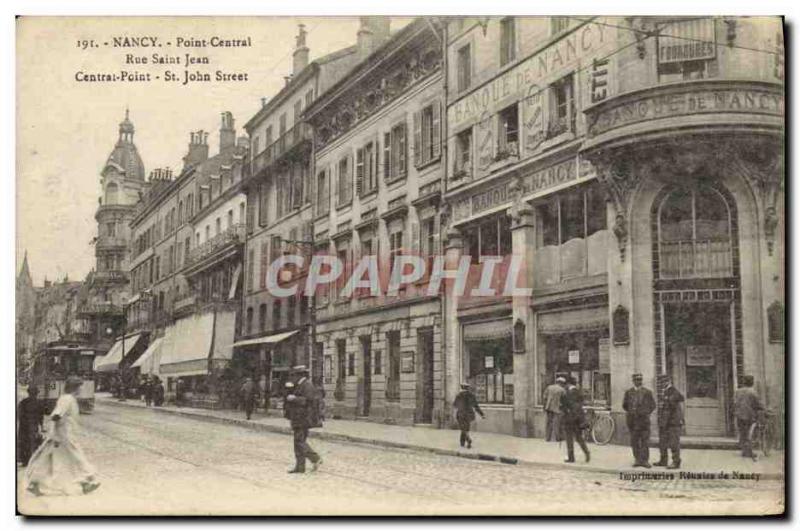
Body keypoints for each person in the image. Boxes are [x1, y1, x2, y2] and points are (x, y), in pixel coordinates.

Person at [24, 377, 100, 496]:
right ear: (75, 388)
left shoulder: (68, 398)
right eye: (80, 387)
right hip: (63, 436)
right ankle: (88, 479)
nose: (81, 389)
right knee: (76, 457)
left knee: (48, 459)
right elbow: (56, 416)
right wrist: (53, 433)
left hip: (63, 435)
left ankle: (34, 483)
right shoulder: (67, 399)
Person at [285, 366, 322, 474]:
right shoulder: (300, 384)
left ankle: (315, 458)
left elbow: (309, 400)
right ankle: (300, 467)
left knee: (299, 441)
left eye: (294, 375)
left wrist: (294, 398)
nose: (292, 378)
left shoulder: (307, 385)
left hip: (304, 418)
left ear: (300, 375)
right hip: (298, 417)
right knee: (298, 442)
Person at [622, 373, 656, 468]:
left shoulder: (647, 392)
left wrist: (645, 412)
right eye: (637, 380)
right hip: (633, 421)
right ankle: (637, 459)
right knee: (634, 441)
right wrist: (632, 413)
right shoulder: (628, 392)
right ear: (633, 381)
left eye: (640, 380)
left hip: (644, 421)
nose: (639, 382)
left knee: (645, 441)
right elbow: (624, 405)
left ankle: (645, 461)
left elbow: (653, 405)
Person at [653, 374, 684, 469]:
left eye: (664, 382)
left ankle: (676, 461)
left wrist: (668, 398)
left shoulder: (673, 391)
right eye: (661, 382)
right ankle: (663, 460)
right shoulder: (664, 392)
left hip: (673, 422)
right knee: (662, 442)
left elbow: (680, 399)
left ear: (669, 381)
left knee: (674, 443)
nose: (662, 384)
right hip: (664, 422)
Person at [734, 375, 764, 461]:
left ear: (744, 382)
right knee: (749, 433)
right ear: (752, 382)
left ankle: (744, 451)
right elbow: (758, 403)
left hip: (739, 415)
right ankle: (749, 451)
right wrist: (763, 408)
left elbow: (735, 402)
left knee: (742, 433)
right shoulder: (753, 392)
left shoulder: (738, 391)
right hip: (749, 416)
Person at [561, 376, 590, 463]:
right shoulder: (578, 392)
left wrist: (564, 409)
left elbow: (568, 405)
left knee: (569, 438)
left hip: (570, 418)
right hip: (578, 419)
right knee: (578, 437)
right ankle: (586, 453)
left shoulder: (569, 393)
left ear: (568, 384)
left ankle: (571, 457)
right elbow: (579, 405)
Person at [17, 385, 45, 467]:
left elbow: (19, 414)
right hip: (32, 425)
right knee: (32, 442)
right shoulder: (39, 403)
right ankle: (31, 460)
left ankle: (25, 460)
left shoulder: (23, 402)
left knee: (24, 442)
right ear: (36, 393)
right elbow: (41, 416)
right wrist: (41, 426)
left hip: (24, 426)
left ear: (28, 393)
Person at [453, 383, 484, 449]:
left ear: (462, 388)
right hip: (469, 414)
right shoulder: (471, 395)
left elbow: (455, 405)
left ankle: (468, 439)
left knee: (463, 428)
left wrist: (455, 413)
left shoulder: (458, 395)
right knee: (466, 428)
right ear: (467, 388)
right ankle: (462, 443)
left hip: (461, 414)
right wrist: (482, 414)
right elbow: (476, 406)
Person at [543, 376, 566, 442]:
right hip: (557, 409)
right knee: (557, 424)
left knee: (548, 423)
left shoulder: (549, 387)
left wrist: (545, 406)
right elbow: (564, 400)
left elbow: (544, 397)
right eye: (563, 383)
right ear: (561, 383)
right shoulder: (562, 390)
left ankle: (547, 438)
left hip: (549, 408)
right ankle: (557, 438)